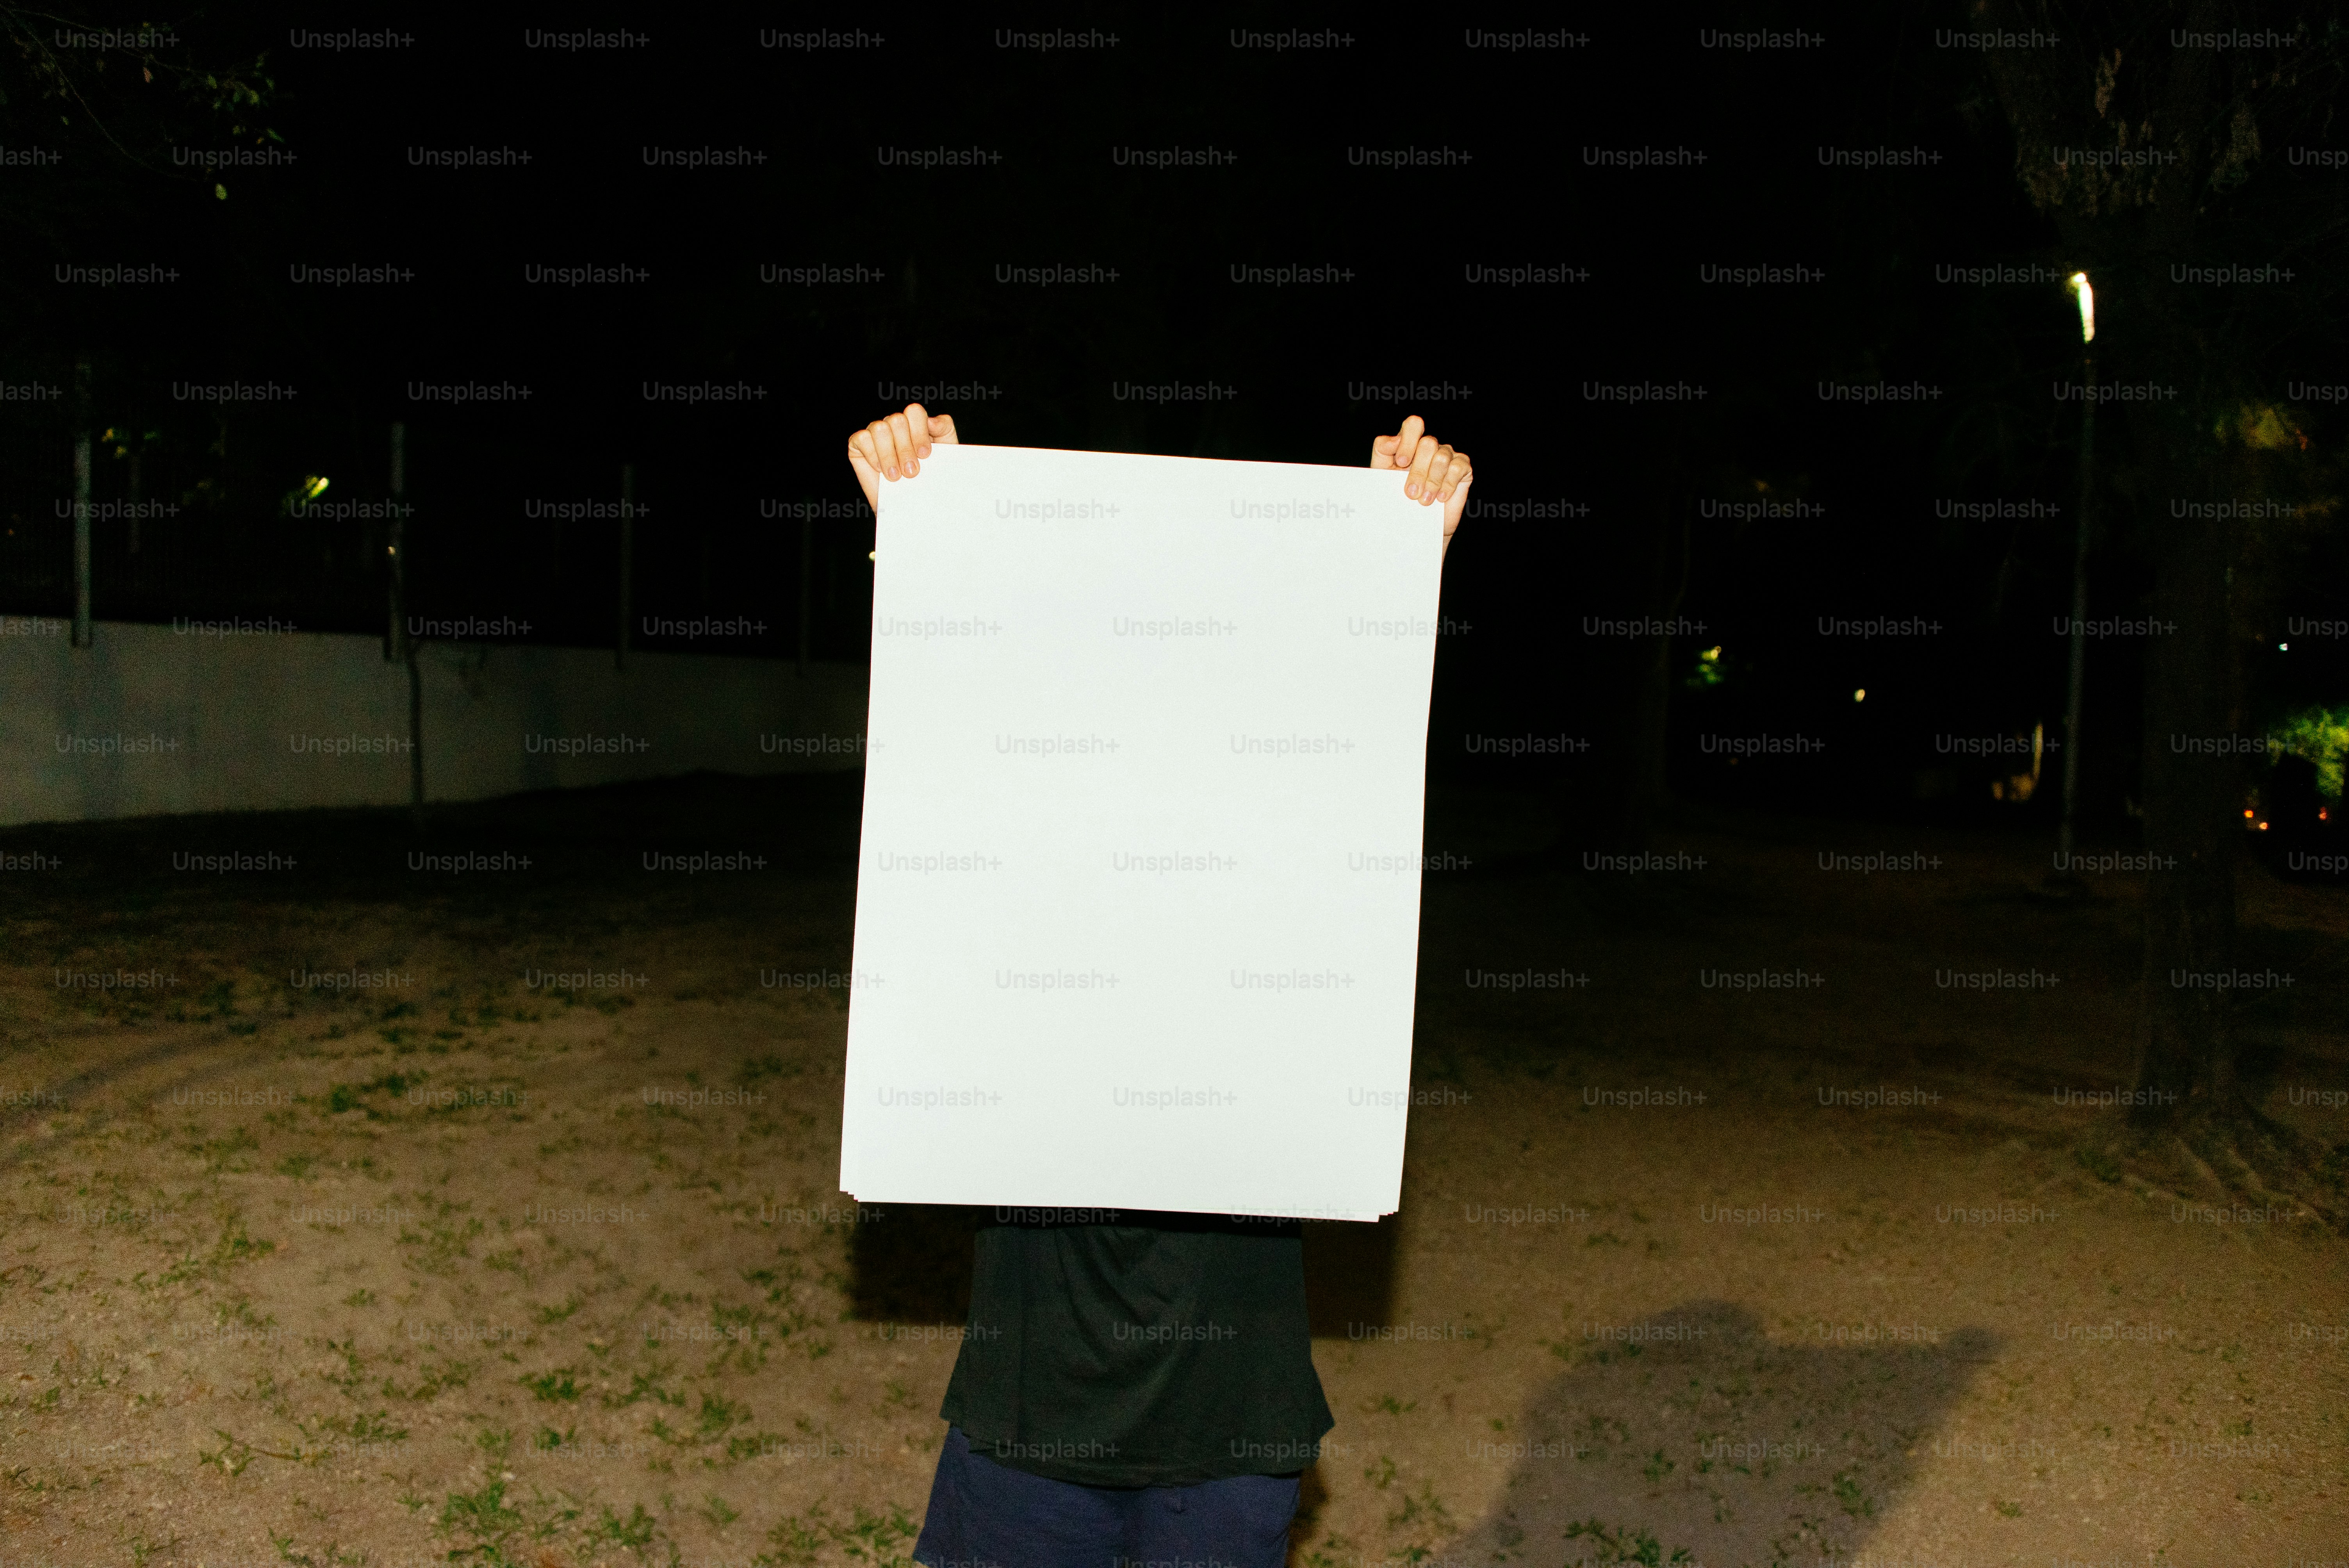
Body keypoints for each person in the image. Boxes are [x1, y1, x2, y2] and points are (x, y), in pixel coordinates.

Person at [843, 403, 1474, 1568]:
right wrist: (919, 532)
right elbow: (960, 735)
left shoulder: (1280, 877)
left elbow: (1346, 770)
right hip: (1029, 1429)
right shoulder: (1020, 859)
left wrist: (1395, 565)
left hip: (1231, 1438)